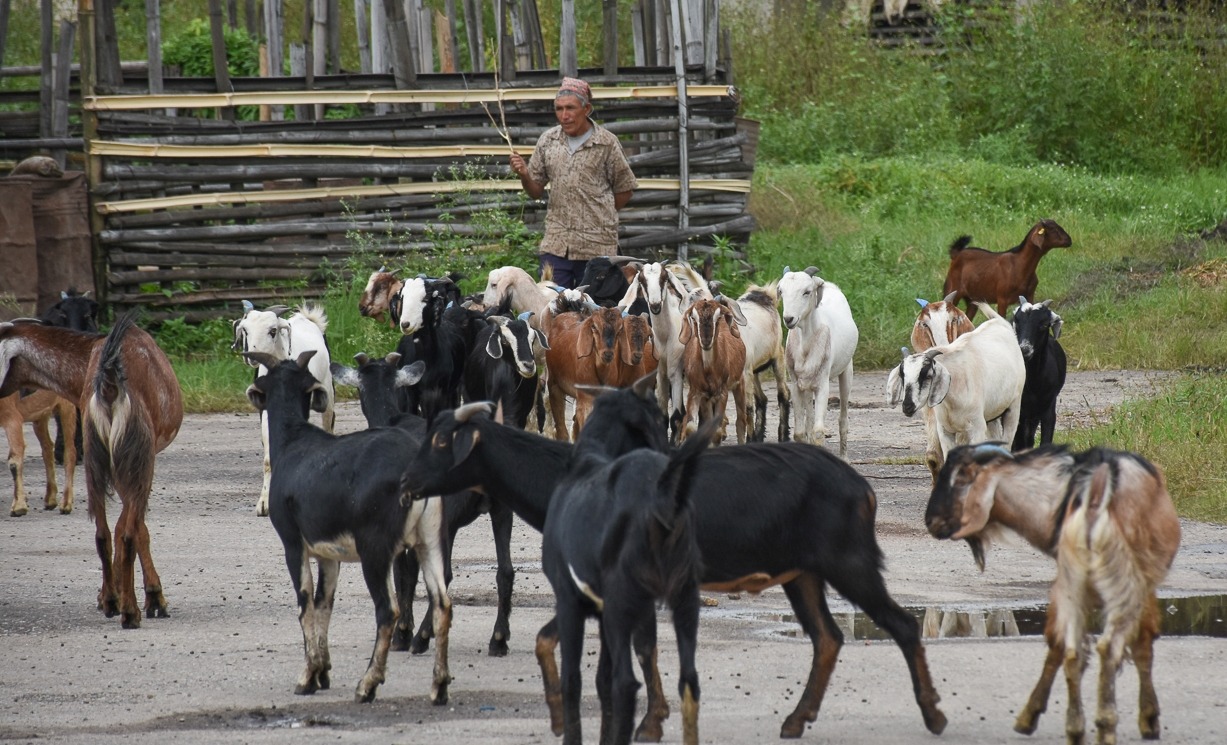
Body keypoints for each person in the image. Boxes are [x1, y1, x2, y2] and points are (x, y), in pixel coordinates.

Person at [509, 77, 638, 289]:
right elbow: (535, 191)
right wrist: (524, 175)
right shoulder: (548, 141)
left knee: (595, 306)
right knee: (553, 302)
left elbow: (625, 189)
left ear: (586, 109)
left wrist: (599, 212)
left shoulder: (606, 143)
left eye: (570, 108)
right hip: (556, 244)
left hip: (597, 245)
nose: (564, 115)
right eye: (559, 109)